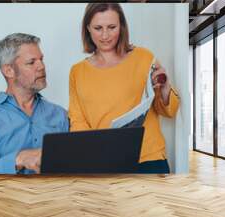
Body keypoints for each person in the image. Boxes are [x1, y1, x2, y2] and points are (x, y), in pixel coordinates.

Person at [69, 3, 180, 173]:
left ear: (122, 27)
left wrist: (165, 90)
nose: (105, 35)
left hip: (148, 158)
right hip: (102, 160)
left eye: (112, 27)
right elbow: (77, 120)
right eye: (98, 28)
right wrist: (92, 152)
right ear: (88, 29)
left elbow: (168, 112)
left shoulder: (144, 57)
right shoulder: (77, 71)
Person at [0, 33, 69, 174]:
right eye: (31, 62)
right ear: (9, 70)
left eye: (41, 59)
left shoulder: (60, 114)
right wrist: (19, 159)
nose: (41, 66)